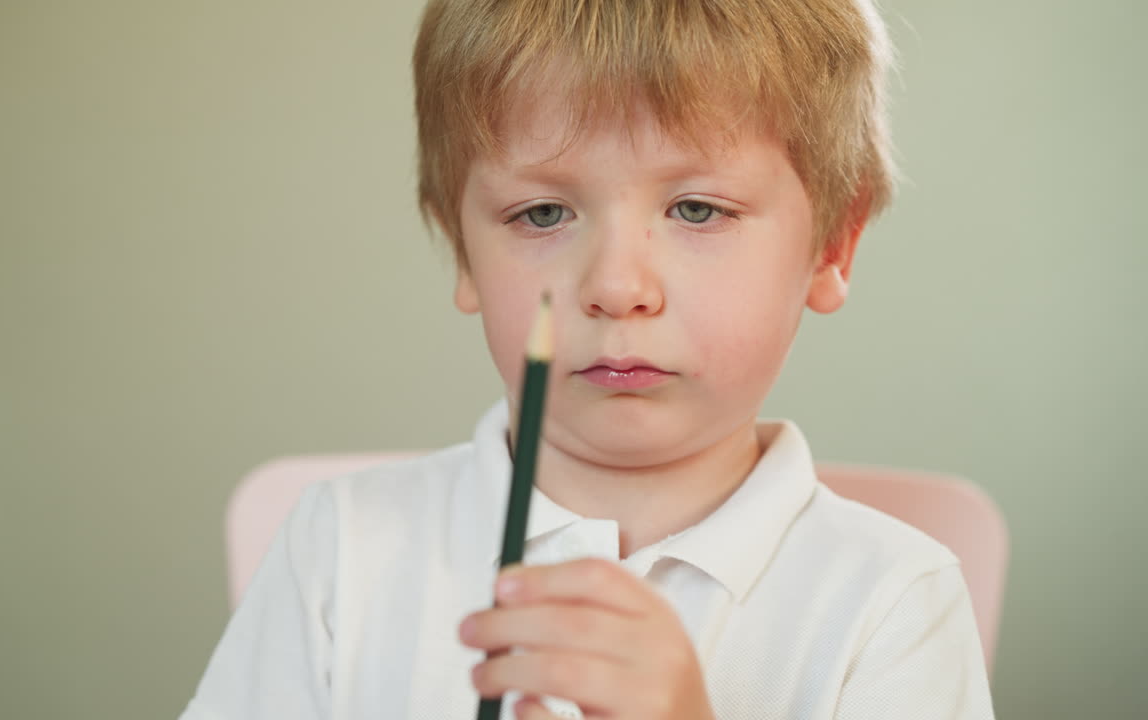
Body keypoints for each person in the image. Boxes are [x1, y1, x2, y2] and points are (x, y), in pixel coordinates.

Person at [180, 0, 996, 717]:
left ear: (834, 246)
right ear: (462, 252)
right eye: (541, 214)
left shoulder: (894, 598)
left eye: (697, 208)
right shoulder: (342, 548)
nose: (615, 286)